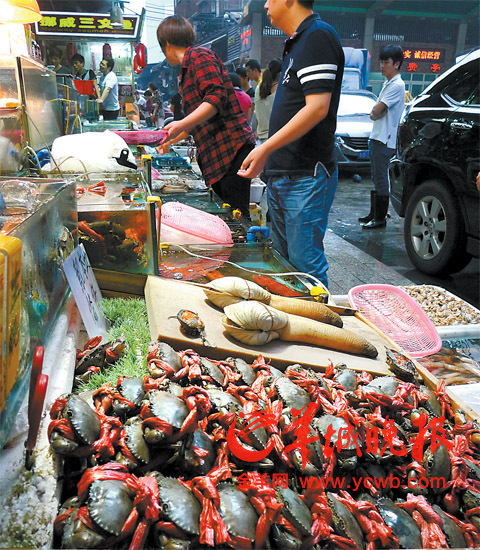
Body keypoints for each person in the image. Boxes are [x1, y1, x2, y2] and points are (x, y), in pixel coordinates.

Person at [237, 0, 344, 288]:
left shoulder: (318, 35)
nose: (266, 4)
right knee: (286, 267)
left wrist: (265, 147)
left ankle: (319, 328)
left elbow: (317, 107)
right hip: (284, 176)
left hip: (305, 176)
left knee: (305, 268)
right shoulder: (297, 42)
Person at [157, 15, 256, 218]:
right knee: (228, 217)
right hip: (218, 157)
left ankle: (242, 250)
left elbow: (216, 97)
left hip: (231, 151)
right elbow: (197, 121)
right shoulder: (185, 72)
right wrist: (169, 140)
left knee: (237, 219)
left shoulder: (199, 56)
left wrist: (181, 122)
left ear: (166, 44)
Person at [360, 45, 405, 229]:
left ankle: (379, 219)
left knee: (381, 177)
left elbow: (377, 110)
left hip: (384, 139)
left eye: (386, 62)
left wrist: (375, 112)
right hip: (377, 137)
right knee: (376, 176)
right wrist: (375, 112)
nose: (381, 65)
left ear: (396, 64)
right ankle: (375, 213)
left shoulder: (396, 85)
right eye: (381, 61)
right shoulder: (388, 83)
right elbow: (376, 112)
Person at [254, 58, 282, 143]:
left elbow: (256, 113)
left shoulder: (258, 89)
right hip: (277, 137)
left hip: (261, 138)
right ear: (280, 74)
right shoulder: (281, 90)